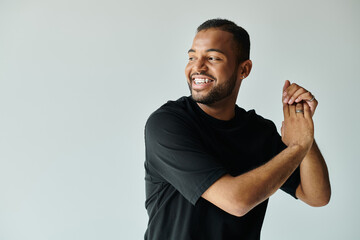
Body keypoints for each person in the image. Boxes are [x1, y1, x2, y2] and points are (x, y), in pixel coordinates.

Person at [144, 18, 331, 240]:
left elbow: (317, 196)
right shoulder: (167, 124)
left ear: (244, 69)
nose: (197, 67)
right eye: (192, 57)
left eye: (212, 58)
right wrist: (299, 146)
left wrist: (305, 131)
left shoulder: (258, 131)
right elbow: (236, 201)